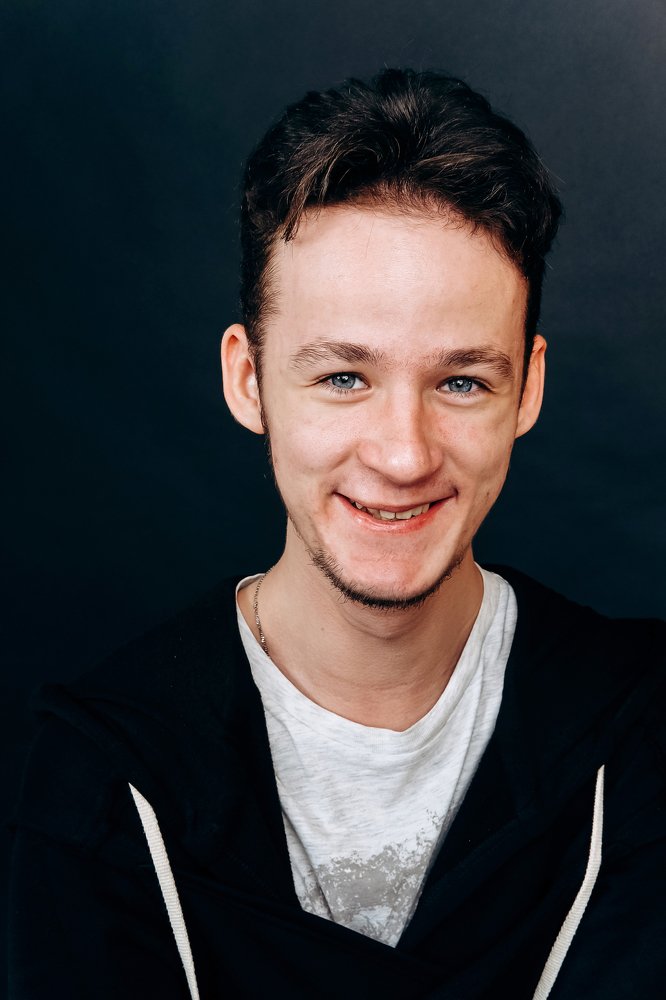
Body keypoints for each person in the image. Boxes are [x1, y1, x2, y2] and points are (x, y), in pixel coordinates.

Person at [9, 69, 665, 999]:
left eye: (462, 381)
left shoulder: (642, 734)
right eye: (343, 378)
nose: (403, 455)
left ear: (529, 388)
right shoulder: (103, 774)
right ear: (248, 380)